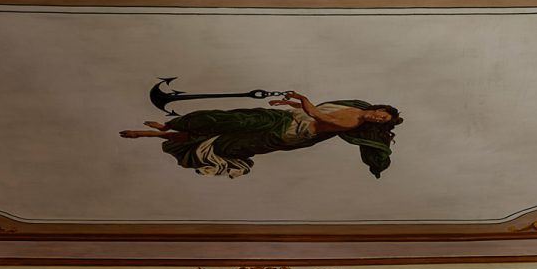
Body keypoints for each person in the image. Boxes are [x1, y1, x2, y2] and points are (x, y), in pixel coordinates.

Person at [121, 92, 401, 180]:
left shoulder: (352, 123)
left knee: (223, 142)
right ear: (378, 107)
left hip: (287, 133)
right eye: (381, 113)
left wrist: (302, 98)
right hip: (286, 118)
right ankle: (167, 127)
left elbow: (321, 117)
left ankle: (150, 135)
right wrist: (291, 105)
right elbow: (317, 110)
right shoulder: (354, 106)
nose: (377, 117)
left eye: (381, 120)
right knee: (230, 118)